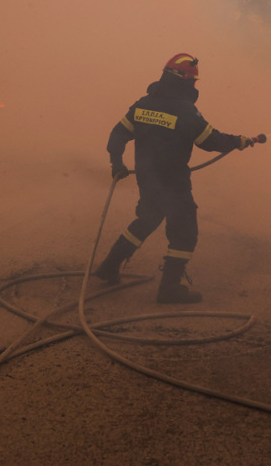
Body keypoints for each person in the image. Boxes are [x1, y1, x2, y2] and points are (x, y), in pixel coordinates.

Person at [96, 53, 258, 304]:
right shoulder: (185, 110)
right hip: (172, 182)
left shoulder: (143, 104)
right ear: (185, 82)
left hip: (147, 178)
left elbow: (117, 135)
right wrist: (239, 141)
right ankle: (169, 289)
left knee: (148, 218)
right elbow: (210, 140)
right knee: (184, 233)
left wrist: (116, 163)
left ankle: (109, 266)